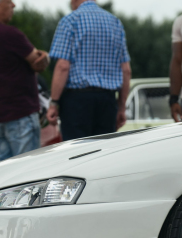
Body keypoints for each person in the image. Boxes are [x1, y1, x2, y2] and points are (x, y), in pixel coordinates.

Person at [0, 0, 50, 161]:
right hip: (20, 114)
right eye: (8, 2)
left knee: (5, 170)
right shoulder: (9, 34)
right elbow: (38, 62)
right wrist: (45, 56)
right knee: (28, 169)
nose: (14, 5)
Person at [46, 0, 132, 141]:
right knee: (104, 150)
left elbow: (63, 66)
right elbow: (126, 70)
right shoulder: (115, 22)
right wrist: (121, 107)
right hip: (107, 100)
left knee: (77, 150)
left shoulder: (70, 21)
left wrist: (54, 103)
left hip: (76, 101)